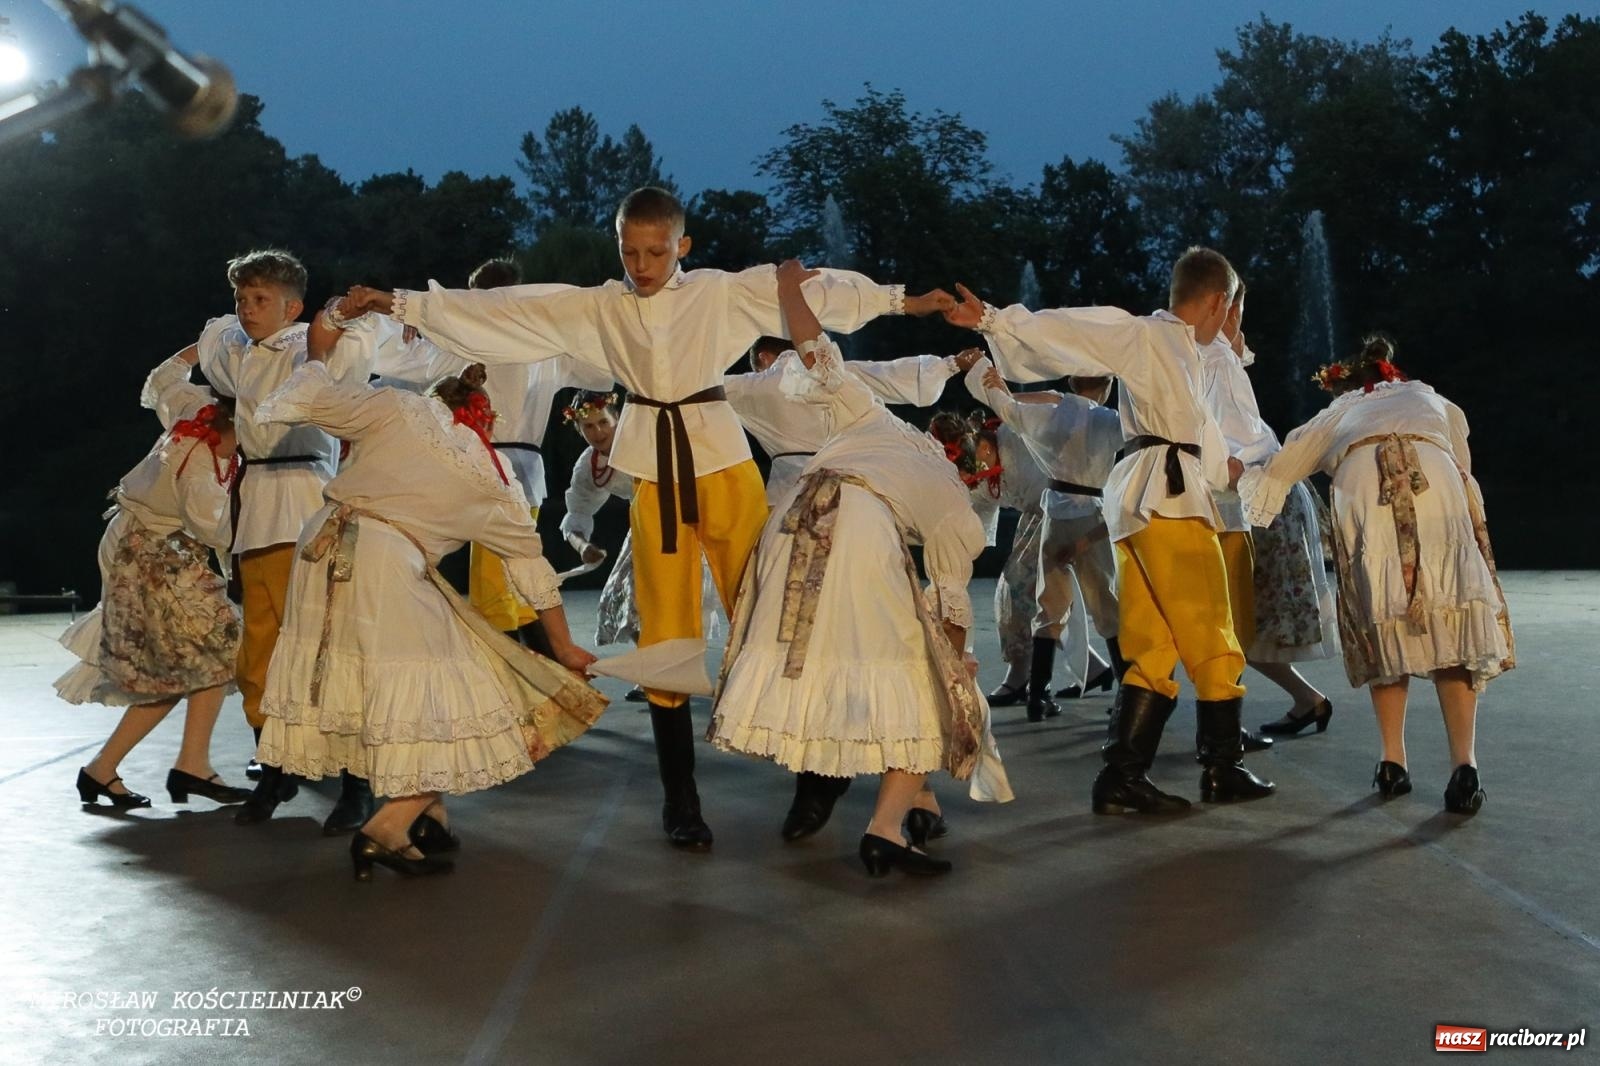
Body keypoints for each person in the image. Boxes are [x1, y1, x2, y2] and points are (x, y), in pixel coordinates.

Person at [341, 186, 951, 849]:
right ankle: (681, 801)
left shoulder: (717, 292)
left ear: (682, 246)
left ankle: (815, 773)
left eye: (657, 251)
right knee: (666, 637)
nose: (643, 264)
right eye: (631, 251)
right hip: (656, 475)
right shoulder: (602, 305)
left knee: (777, 612)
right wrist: (400, 303)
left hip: (722, 465)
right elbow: (510, 308)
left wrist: (901, 300)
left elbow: (811, 290)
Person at [251, 317, 605, 879]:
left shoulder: (398, 409)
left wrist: (318, 353)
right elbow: (531, 568)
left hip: (319, 549)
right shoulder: (490, 476)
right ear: (485, 419)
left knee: (379, 688)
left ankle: (429, 817)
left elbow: (311, 400)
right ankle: (387, 828)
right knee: (457, 694)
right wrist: (562, 649)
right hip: (385, 564)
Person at [947, 247, 1274, 813]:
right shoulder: (1151, 336)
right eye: (1230, 312)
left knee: (1154, 645)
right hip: (1167, 500)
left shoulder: (1181, 354)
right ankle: (1223, 766)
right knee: (1210, 625)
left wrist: (1232, 471)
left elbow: (1202, 437)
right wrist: (995, 320)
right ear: (1220, 302)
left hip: (1149, 497)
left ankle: (1121, 778)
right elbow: (1077, 328)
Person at [710, 261, 1009, 876]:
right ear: (972, 473)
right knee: (933, 688)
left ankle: (898, 800)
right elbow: (952, 608)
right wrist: (955, 669)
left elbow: (817, 351)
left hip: (792, 525)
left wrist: (789, 288)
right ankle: (885, 827)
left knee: (838, 668)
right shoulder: (957, 513)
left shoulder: (875, 417)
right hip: (858, 534)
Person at [1239, 336, 1512, 813]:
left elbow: (1288, 463)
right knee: (1451, 623)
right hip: (1436, 486)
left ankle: (1392, 763)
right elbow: (1462, 462)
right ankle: (1464, 767)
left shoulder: (1340, 409)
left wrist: (1242, 480)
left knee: (1383, 625)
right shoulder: (1427, 395)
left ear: (1346, 383)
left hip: (1369, 492)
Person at [345, 258, 615, 649]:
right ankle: (549, 679)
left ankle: (525, 683)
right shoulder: (539, 346)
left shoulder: (477, 342)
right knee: (514, 587)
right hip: (505, 474)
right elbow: (602, 371)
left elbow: (400, 361)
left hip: (490, 472)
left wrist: (389, 321)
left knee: (497, 590)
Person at [196, 249, 375, 831]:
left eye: (260, 300)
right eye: (242, 300)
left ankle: (358, 783)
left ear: (293, 307)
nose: (246, 310)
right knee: (259, 653)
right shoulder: (242, 353)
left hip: (306, 497)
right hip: (258, 511)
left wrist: (336, 317)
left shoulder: (309, 345)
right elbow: (212, 339)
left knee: (329, 645)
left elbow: (348, 352)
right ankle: (276, 765)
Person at [60, 346, 250, 809]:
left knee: (198, 659)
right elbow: (214, 528)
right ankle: (166, 767)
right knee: (198, 655)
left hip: (142, 544)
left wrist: (200, 349)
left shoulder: (194, 408)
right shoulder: (203, 460)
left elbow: (165, 376)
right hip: (147, 554)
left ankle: (131, 769)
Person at [1198, 285, 1338, 740]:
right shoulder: (1215, 359)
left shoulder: (1214, 361)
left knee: (1238, 620)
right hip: (1260, 496)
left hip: (1259, 501)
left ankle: (1227, 724)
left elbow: (1240, 450)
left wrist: (1227, 469)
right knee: (1238, 621)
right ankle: (1305, 702)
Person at [972, 361, 1124, 722]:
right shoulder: (1109, 420)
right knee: (1106, 607)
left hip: (1053, 514)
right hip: (1091, 515)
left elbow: (1008, 410)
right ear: (1106, 386)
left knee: (1049, 607)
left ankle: (1037, 698)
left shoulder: (1048, 417)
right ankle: (1127, 696)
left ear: (1072, 380)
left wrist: (995, 387)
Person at [725, 336, 981, 505]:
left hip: (788, 493)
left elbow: (699, 393)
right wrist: (952, 364)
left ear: (764, 358)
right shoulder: (839, 373)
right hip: (850, 489)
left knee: (783, 575)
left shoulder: (751, 386)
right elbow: (890, 374)